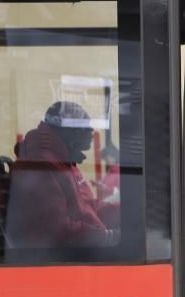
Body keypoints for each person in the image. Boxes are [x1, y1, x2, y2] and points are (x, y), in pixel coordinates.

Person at [6, 101, 116, 250]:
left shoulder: (62, 160)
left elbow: (87, 205)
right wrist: (107, 237)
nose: (91, 129)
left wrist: (126, 212)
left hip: (78, 244)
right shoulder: (43, 165)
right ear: (67, 131)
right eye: (82, 125)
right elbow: (58, 230)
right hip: (61, 256)